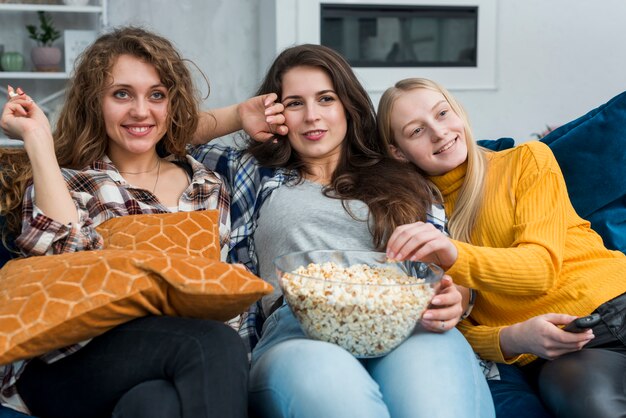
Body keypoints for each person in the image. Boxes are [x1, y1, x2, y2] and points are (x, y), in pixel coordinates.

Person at [191, 44, 495, 418]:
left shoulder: (406, 178)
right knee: (335, 391)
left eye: (325, 98)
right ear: (276, 113)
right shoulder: (250, 171)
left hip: (403, 319)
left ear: (347, 105)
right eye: (294, 103)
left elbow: (445, 264)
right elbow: (161, 132)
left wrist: (458, 298)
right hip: (298, 325)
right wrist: (239, 115)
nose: (312, 116)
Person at [0, 26, 284, 418]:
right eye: (121, 94)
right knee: (213, 344)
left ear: (172, 103)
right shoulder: (70, 180)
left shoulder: (206, 184)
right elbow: (59, 253)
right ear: (94, 102)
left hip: (168, 359)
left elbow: (213, 286)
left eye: (156, 95)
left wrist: (236, 115)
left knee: (156, 405)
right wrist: (37, 140)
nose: (140, 110)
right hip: (68, 364)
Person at [377, 77, 626, 418]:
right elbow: (450, 325)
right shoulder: (417, 220)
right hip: (568, 349)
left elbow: (540, 268)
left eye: (442, 114)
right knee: (589, 403)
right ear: (398, 152)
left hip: (619, 301)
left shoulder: (526, 160)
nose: (439, 132)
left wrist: (455, 254)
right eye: (416, 131)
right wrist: (511, 339)